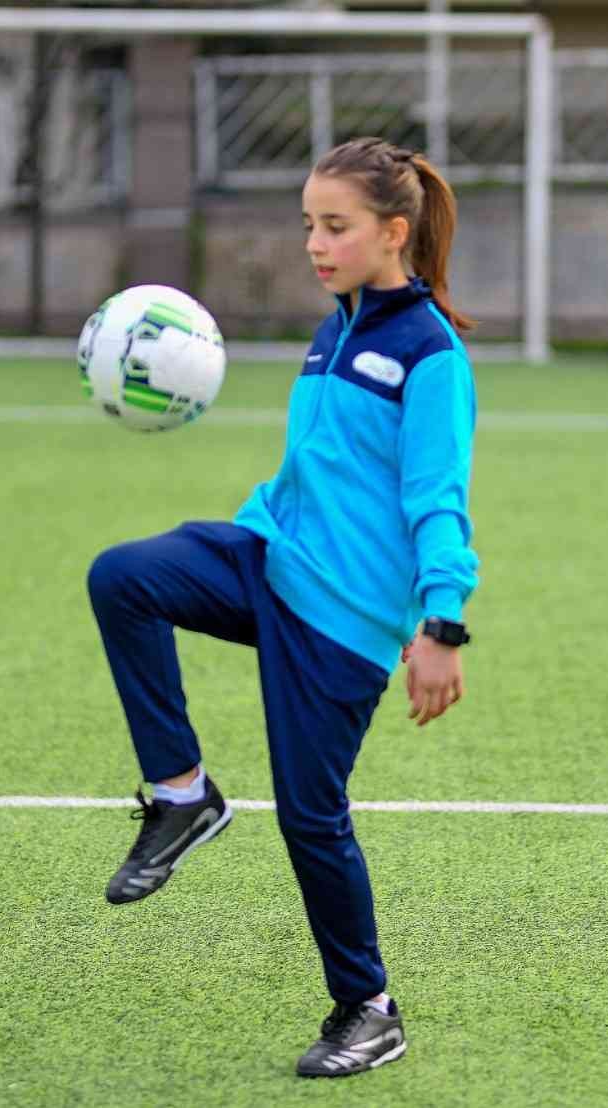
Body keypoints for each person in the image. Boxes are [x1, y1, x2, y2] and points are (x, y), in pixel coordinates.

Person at [86, 136, 479, 1078]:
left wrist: (443, 624)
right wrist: (260, 524)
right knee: (123, 576)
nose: (316, 243)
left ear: (394, 232)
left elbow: (438, 499)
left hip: (340, 621)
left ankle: (369, 1007)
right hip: (267, 559)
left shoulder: (431, 355)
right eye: (308, 224)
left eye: (335, 227)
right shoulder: (335, 326)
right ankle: (182, 797)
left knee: (312, 817)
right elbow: (323, 469)